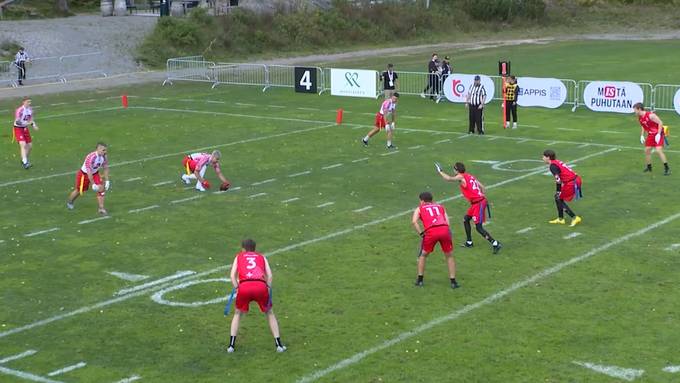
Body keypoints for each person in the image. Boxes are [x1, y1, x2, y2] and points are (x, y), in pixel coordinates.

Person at [227, 238, 286, 353]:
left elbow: (232, 276)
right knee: (269, 313)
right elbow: (270, 275)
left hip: (244, 287)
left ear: (243, 249)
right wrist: (267, 288)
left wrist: (237, 288)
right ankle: (278, 345)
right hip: (260, 286)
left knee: (238, 314)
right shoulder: (262, 257)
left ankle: (231, 346)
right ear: (255, 248)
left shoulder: (239, 257)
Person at [435, 162, 502, 254]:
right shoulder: (469, 176)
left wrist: (440, 171)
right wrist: (481, 196)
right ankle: (469, 242)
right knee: (466, 219)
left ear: (457, 170)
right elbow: (482, 187)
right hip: (477, 203)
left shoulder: (461, 176)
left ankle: (495, 243)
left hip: (478, 204)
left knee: (479, 227)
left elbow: (449, 178)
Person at [411, 191, 459, 289]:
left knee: (423, 255)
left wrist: (421, 233)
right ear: (432, 200)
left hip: (431, 232)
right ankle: (453, 282)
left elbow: (414, 222)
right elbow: (447, 222)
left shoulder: (419, 208)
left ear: (422, 201)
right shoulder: (440, 207)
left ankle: (420, 280)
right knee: (449, 256)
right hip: (444, 230)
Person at [66, 142, 110, 215]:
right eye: (103, 150)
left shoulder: (104, 156)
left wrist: (107, 180)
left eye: (105, 150)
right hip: (84, 175)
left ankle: (101, 208)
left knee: (101, 189)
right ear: (98, 149)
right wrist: (93, 184)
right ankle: (70, 202)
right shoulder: (91, 157)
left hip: (95, 173)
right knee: (79, 190)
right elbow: (89, 171)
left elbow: (105, 168)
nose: (105, 152)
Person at [542, 150, 582, 226]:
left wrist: (558, 191)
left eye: (544, 156)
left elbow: (558, 180)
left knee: (558, 198)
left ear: (548, 157)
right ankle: (561, 219)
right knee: (558, 198)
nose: (542, 158)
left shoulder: (552, 166)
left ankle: (574, 217)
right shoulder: (556, 162)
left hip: (572, 182)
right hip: (575, 179)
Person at [634, 102, 670, 175]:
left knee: (658, 150)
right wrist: (642, 135)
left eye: (635, 110)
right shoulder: (640, 117)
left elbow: (660, 122)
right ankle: (649, 167)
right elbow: (643, 125)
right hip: (651, 134)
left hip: (658, 133)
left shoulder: (651, 115)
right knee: (647, 150)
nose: (634, 111)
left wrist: (659, 134)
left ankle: (667, 168)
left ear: (639, 109)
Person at [13, 96, 39, 169]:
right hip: (18, 128)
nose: (29, 103)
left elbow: (31, 119)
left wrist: (34, 125)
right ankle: (25, 162)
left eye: (30, 102)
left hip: (25, 128)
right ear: (23, 102)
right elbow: (18, 122)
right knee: (23, 144)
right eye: (28, 102)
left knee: (30, 146)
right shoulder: (19, 110)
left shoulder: (30, 110)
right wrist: (27, 124)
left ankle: (24, 159)